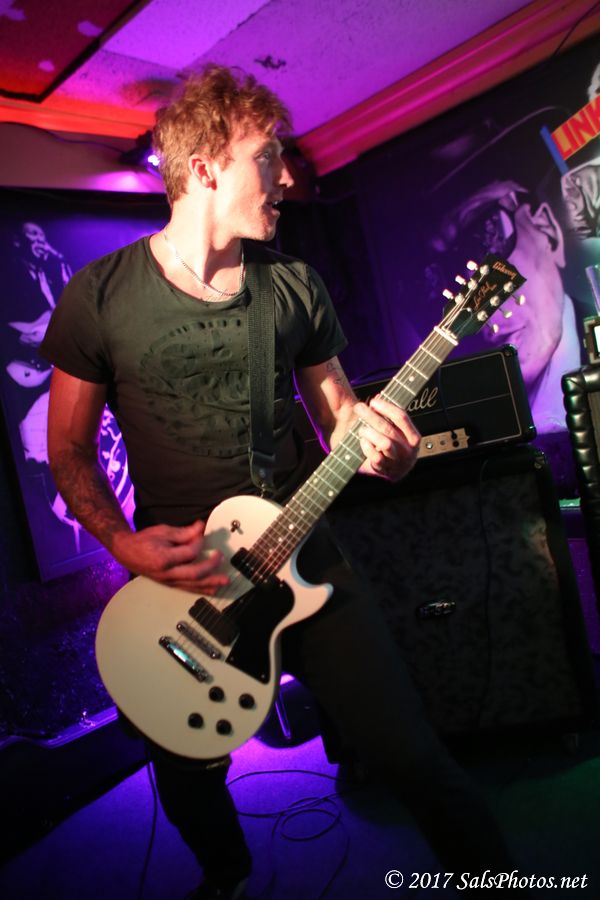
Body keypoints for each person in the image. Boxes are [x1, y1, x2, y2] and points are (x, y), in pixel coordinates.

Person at [40, 65, 515, 899]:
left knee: (412, 753)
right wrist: (122, 544)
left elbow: (343, 419)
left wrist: (390, 450)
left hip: (308, 560)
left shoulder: (292, 285)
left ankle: (496, 882)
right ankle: (227, 874)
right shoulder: (100, 296)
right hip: (185, 589)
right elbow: (69, 450)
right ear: (205, 166)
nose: (288, 177)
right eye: (269, 156)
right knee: (189, 782)